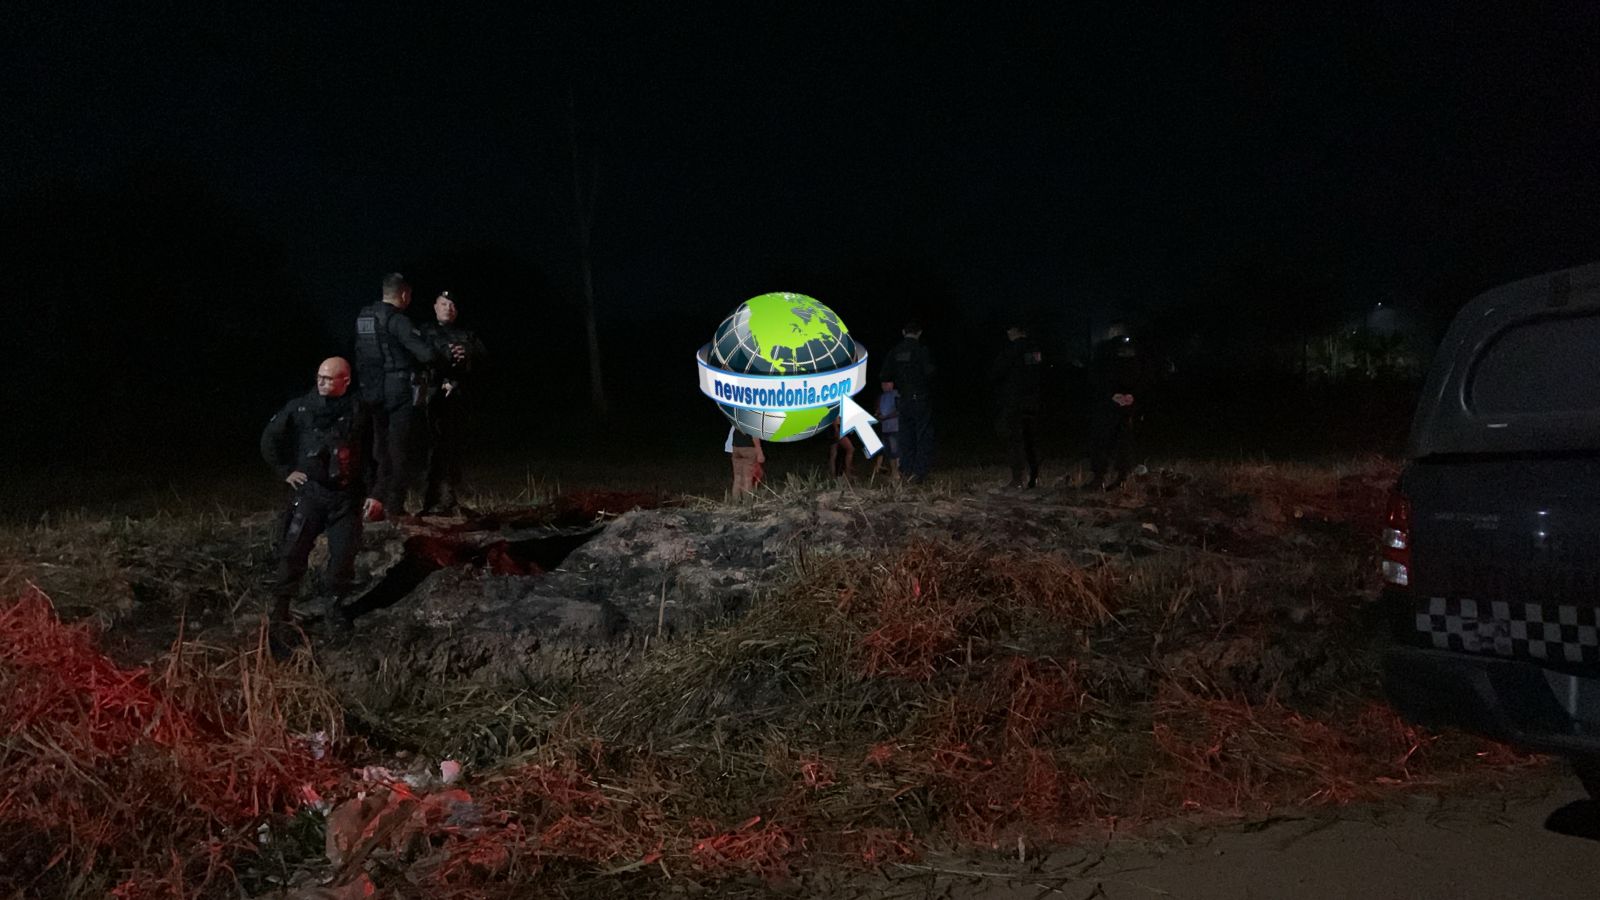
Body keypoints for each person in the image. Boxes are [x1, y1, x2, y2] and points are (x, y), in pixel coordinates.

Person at [259, 357, 384, 637]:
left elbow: (378, 454)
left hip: (346, 497)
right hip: (311, 493)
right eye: (319, 377)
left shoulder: (360, 410)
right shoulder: (302, 407)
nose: (321, 382)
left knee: (342, 557)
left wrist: (376, 493)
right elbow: (270, 438)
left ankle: (335, 609)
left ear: (345, 381)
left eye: (328, 378)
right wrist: (285, 471)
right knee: (292, 552)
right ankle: (280, 610)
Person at [353, 273, 437, 517]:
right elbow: (425, 354)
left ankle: (374, 498)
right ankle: (394, 506)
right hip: (397, 391)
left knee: (379, 449)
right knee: (400, 448)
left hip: (371, 390)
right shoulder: (397, 320)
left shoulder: (364, 317)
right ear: (403, 294)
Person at [419, 290, 489, 515]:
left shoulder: (467, 335)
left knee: (454, 449)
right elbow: (418, 359)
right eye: (443, 303)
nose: (447, 308)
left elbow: (483, 361)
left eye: (452, 305)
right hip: (431, 401)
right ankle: (432, 500)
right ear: (435, 306)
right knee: (433, 450)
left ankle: (451, 498)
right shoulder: (425, 332)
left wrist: (466, 356)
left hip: (458, 401)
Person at [1086, 322, 1144, 490]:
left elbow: (1096, 374)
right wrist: (1133, 394)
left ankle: (1098, 478)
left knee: (1100, 440)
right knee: (1124, 440)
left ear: (1112, 331)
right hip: (1129, 403)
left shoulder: (1103, 349)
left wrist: (1112, 394)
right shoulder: (1137, 349)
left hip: (1107, 403)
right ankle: (1122, 478)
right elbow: (1145, 373)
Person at [877, 321, 935, 483]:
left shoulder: (895, 351)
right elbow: (930, 372)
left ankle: (906, 471)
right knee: (922, 435)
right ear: (919, 332)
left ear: (903, 332)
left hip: (903, 399)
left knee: (906, 436)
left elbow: (884, 376)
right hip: (920, 397)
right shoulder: (922, 350)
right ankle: (919, 473)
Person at [990, 324, 1043, 489]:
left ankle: (1017, 478)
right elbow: (1040, 373)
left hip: (1013, 401)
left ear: (1014, 332)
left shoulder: (1011, 349)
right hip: (1032, 401)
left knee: (1013, 439)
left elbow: (996, 372)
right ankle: (1033, 477)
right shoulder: (1034, 349)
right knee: (1030, 439)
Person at [870, 381, 900, 481]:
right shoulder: (882, 396)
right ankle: (894, 473)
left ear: (892, 383)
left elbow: (899, 410)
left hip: (895, 427)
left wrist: (886, 417)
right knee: (889, 452)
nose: (884, 386)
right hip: (885, 428)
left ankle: (899, 472)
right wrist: (878, 415)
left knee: (896, 451)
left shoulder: (896, 394)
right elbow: (878, 410)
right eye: (882, 384)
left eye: (887, 383)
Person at [726, 425, 765, 497]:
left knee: (737, 477)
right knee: (747, 478)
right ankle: (747, 503)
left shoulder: (737, 417)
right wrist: (760, 452)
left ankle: (735, 503)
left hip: (736, 448)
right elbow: (755, 436)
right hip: (748, 448)